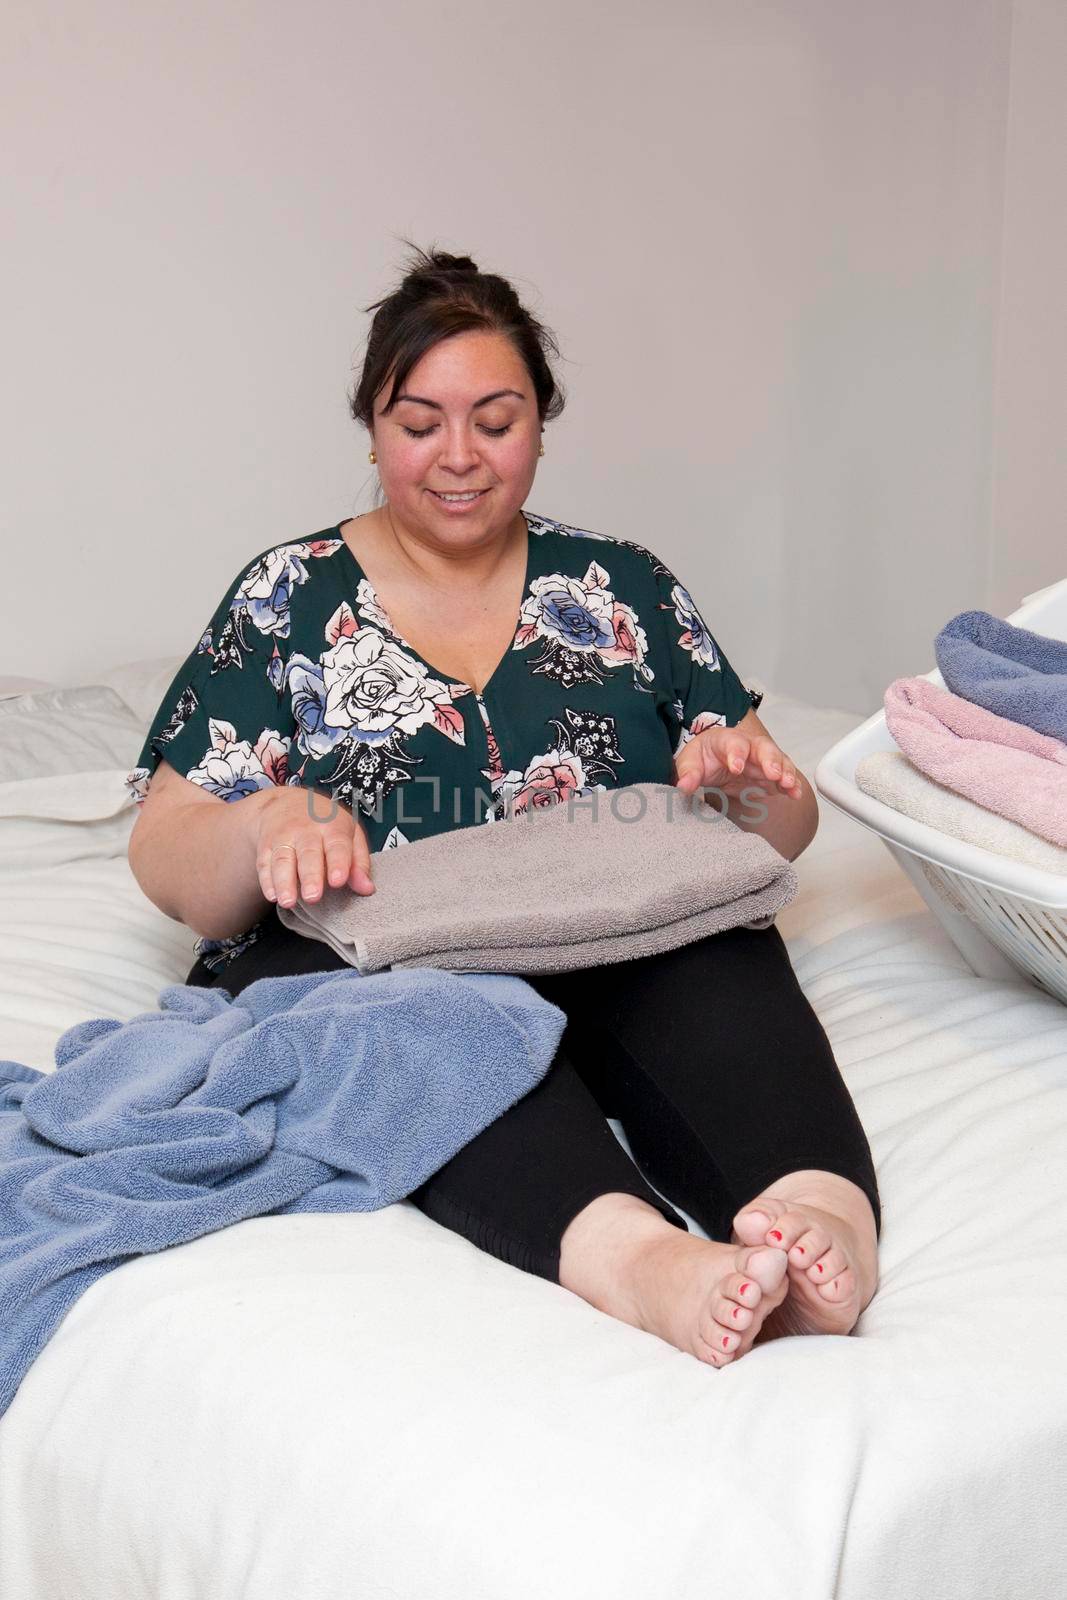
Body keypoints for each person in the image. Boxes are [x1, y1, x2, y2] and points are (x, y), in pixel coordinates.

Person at [127, 243, 881, 1368]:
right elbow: (165, 856)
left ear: (541, 423)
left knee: (718, 948)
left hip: (611, 925)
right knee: (422, 1039)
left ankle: (821, 1225)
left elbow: (775, 831)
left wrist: (748, 793)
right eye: (418, 421)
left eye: (496, 418)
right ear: (371, 425)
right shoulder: (286, 596)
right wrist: (262, 823)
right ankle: (644, 1264)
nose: (458, 458)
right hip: (389, 962)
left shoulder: (623, 585)